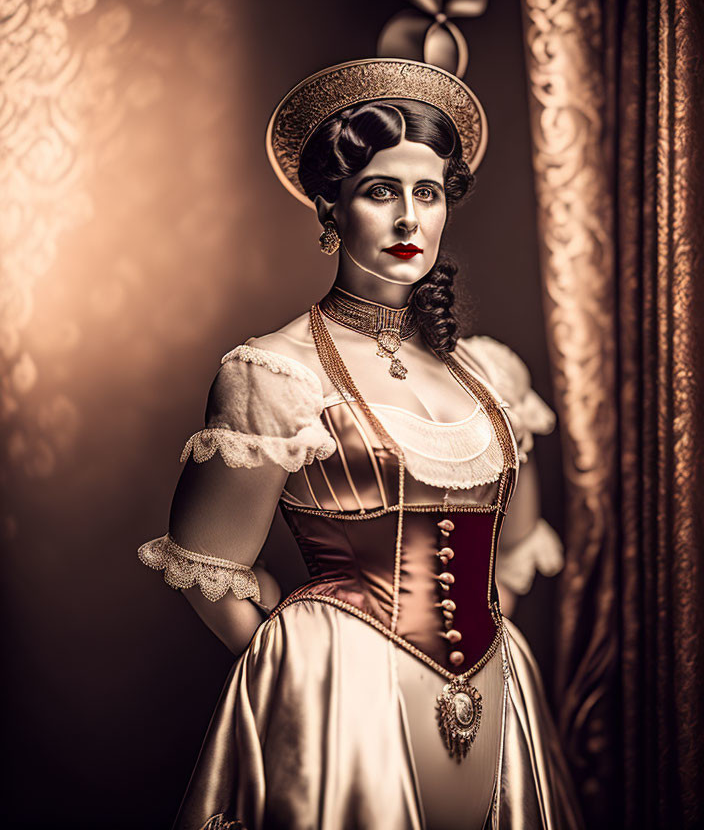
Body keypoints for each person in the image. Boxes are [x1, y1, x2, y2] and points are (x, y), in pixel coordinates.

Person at [138, 59, 583, 830]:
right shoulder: (275, 371)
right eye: (382, 191)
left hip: (494, 690)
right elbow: (206, 563)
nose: (410, 219)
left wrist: (478, 633)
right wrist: (300, 660)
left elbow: (512, 550)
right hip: (341, 691)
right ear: (330, 207)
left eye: (428, 192)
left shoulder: (490, 371)